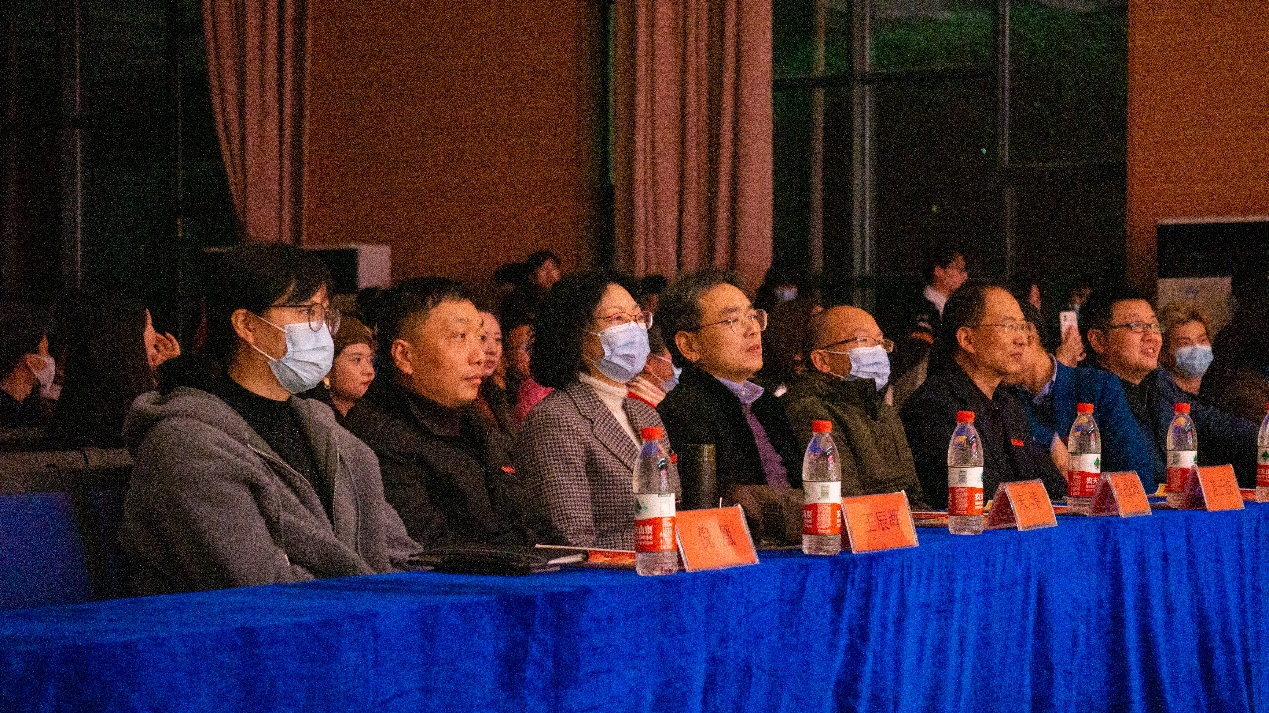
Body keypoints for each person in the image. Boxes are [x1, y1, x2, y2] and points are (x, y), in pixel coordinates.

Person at [120, 243, 421, 595]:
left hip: (361, 619)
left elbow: (401, 555)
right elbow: (262, 588)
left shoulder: (326, 431)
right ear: (247, 325)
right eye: (306, 312)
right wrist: (379, 598)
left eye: (325, 314)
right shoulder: (185, 444)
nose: (322, 331)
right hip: (253, 627)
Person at [343, 279, 552, 547]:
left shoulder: (472, 421)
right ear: (404, 356)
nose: (479, 356)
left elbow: (534, 519)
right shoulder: (377, 438)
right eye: (459, 337)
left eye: (479, 337)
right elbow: (433, 550)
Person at [516, 272, 677, 549]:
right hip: (609, 573)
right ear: (576, 335)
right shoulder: (556, 419)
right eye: (617, 318)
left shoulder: (645, 413)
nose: (635, 329)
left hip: (663, 564)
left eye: (638, 317)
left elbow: (672, 509)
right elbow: (571, 540)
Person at [900, 283, 1066, 509]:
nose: (1022, 339)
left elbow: (1055, 489)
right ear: (967, 340)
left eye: (1022, 327)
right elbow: (969, 497)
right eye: (1009, 326)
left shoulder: (1009, 406)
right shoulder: (931, 407)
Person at [1081, 288, 1258, 486]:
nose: (1151, 335)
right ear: (1098, 341)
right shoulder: (1086, 392)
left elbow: (1214, 424)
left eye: (1154, 325)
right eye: (1136, 326)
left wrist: (1263, 440)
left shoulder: (1158, 383)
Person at [656, 268, 801, 493]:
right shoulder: (682, 412)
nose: (753, 329)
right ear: (689, 345)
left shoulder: (767, 404)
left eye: (752, 316)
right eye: (733, 320)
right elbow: (724, 502)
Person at [782, 305, 927, 507]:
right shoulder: (810, 409)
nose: (878, 350)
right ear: (822, 360)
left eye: (881, 342)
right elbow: (846, 502)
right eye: (863, 340)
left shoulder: (883, 410)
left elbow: (913, 496)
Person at [1005, 302, 1159, 490]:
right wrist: (1049, 440)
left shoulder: (1097, 386)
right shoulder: (1003, 397)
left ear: (1029, 334)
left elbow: (1137, 479)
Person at [46, 298, 179, 448]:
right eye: (149, 324)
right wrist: (174, 380)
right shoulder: (151, 428)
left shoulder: (73, 417)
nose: (155, 335)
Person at [890, 244, 969, 409]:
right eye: (959, 270)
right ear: (939, 271)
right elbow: (915, 355)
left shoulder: (955, 307)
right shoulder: (917, 307)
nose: (965, 276)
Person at [303, 315, 375, 420]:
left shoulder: (372, 415)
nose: (369, 371)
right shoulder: (307, 415)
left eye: (370, 361)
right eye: (357, 360)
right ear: (328, 366)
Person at [0, 305, 54, 428]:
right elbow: (46, 385)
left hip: (14, 398)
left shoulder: (36, 359)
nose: (46, 342)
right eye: (44, 340)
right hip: (10, 397)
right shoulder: (32, 359)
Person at [1157, 301, 1213, 397]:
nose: (1197, 348)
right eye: (1185, 343)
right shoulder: (1161, 395)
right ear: (1164, 352)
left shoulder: (1218, 389)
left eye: (1202, 340)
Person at [474, 310, 515, 435]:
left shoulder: (495, 393)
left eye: (498, 340)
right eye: (482, 338)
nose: (492, 350)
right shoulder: (457, 398)